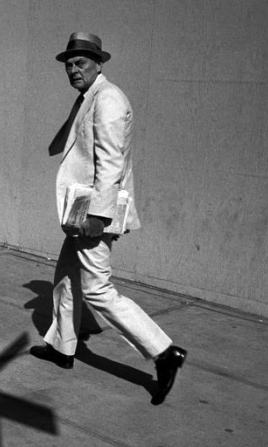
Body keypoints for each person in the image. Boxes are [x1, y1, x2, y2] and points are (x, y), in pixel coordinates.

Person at [29, 32, 187, 405]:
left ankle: (164, 352)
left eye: (81, 62)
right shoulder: (90, 99)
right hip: (83, 209)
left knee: (97, 289)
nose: (73, 69)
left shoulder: (109, 100)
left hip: (95, 212)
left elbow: (111, 163)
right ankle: (63, 348)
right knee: (66, 278)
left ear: (99, 63)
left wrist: (98, 216)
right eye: (68, 64)